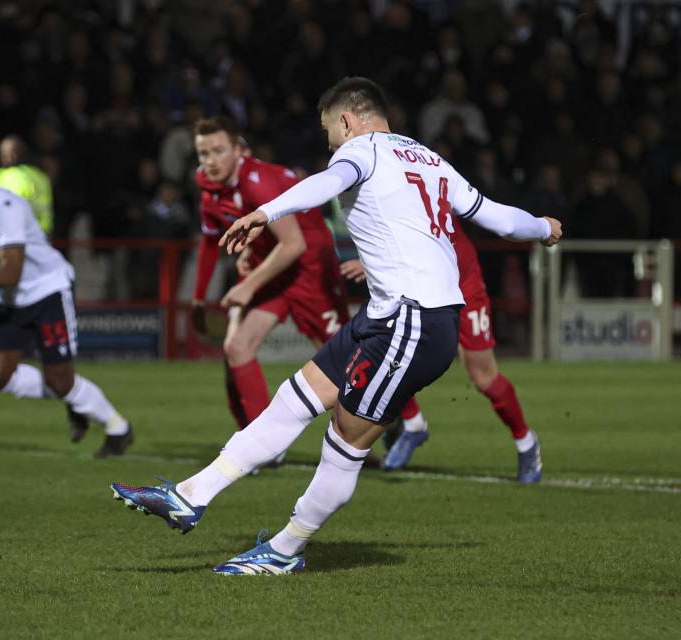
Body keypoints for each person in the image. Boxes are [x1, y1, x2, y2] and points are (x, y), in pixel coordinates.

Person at [111, 77, 561, 574]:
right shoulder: (429, 159)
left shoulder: (361, 150)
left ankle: (285, 551)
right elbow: (497, 218)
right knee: (292, 400)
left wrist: (265, 211)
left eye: (329, 131)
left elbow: (325, 184)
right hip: (387, 315)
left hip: (415, 322)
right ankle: (190, 494)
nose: (330, 144)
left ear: (347, 120)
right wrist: (544, 227)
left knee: (345, 441)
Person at [0, 144, 133, 458]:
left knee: (61, 380)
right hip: (8, 299)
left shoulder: (6, 206)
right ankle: (73, 395)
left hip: (47, 291)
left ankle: (118, 429)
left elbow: (12, 270)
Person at [339, 211, 542, 482]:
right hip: (419, 286)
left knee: (484, 377)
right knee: (390, 353)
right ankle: (412, 423)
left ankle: (526, 443)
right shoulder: (391, 182)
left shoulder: (430, 176)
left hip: (462, 283)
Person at [190, 116, 349, 437]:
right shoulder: (210, 187)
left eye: (218, 151)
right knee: (237, 347)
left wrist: (248, 286)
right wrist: (198, 296)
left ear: (239, 150)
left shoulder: (256, 182)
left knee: (346, 361)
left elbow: (294, 244)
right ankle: (262, 443)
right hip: (273, 269)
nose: (210, 161)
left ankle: (398, 423)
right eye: (203, 154)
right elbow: (209, 242)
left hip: (309, 268)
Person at [0, 135, 55, 235]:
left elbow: (10, 210)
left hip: (21, 236)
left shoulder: (10, 175)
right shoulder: (40, 175)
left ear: (12, 154)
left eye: (2, 153)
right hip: (44, 234)